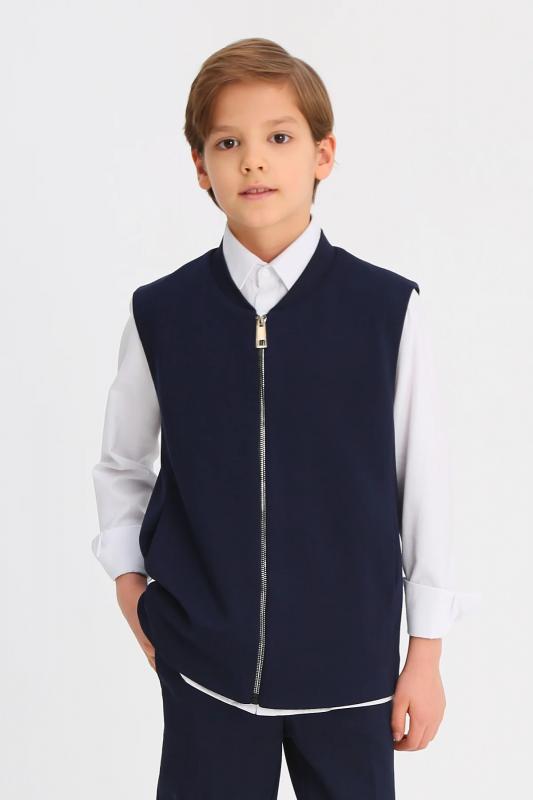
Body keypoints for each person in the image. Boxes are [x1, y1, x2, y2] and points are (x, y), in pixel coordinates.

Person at [91, 36, 480, 799]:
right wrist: (129, 585)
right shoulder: (163, 313)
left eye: (277, 138)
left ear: (321, 154)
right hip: (205, 668)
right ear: (199, 167)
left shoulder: (384, 309)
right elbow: (122, 463)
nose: (252, 162)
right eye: (227, 143)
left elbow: (422, 482)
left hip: (352, 672)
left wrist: (426, 652)